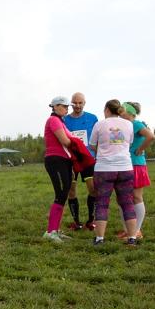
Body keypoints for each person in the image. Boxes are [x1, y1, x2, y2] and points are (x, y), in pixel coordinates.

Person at [88, 99, 139, 247]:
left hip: (104, 169)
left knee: (102, 203)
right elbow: (129, 143)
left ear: (106, 109)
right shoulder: (129, 124)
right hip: (125, 168)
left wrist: (102, 151)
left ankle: (99, 239)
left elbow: (92, 145)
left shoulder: (99, 124)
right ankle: (132, 238)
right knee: (127, 203)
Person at [119, 102, 154, 241]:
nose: (120, 113)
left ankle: (136, 230)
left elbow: (151, 136)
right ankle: (127, 230)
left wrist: (140, 149)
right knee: (123, 198)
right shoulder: (124, 125)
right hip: (125, 164)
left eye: (122, 111)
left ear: (129, 113)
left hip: (136, 164)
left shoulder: (136, 124)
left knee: (136, 197)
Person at [63, 93, 98, 230]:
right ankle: (76, 222)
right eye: (75, 103)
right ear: (71, 103)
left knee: (93, 189)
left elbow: (98, 137)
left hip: (88, 159)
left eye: (80, 103)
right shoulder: (64, 119)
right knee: (71, 191)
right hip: (71, 159)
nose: (77, 105)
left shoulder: (92, 118)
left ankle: (91, 221)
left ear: (84, 103)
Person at [42, 97, 75, 242]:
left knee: (64, 193)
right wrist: (77, 144)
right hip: (56, 160)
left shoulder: (61, 121)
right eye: (64, 106)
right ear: (55, 106)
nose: (67, 109)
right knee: (61, 194)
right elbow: (65, 141)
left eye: (68, 106)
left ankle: (55, 229)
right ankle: (50, 232)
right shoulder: (53, 120)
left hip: (64, 160)